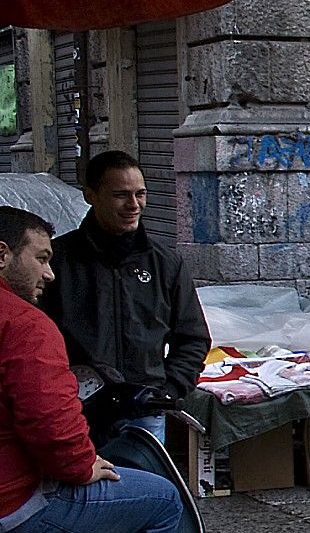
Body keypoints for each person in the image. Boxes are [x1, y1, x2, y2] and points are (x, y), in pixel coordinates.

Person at [0, 207, 185, 533]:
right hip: (12, 505)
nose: (49, 273)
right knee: (161, 502)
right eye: (39, 259)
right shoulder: (24, 324)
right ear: (2, 255)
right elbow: (50, 424)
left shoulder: (160, 260)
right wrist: (82, 465)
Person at [41, 151, 208, 443]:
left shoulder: (166, 263)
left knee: (148, 487)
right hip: (76, 411)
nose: (134, 205)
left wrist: (167, 390)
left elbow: (193, 338)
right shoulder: (57, 262)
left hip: (144, 412)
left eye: (140, 194)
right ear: (90, 195)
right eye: (121, 195)